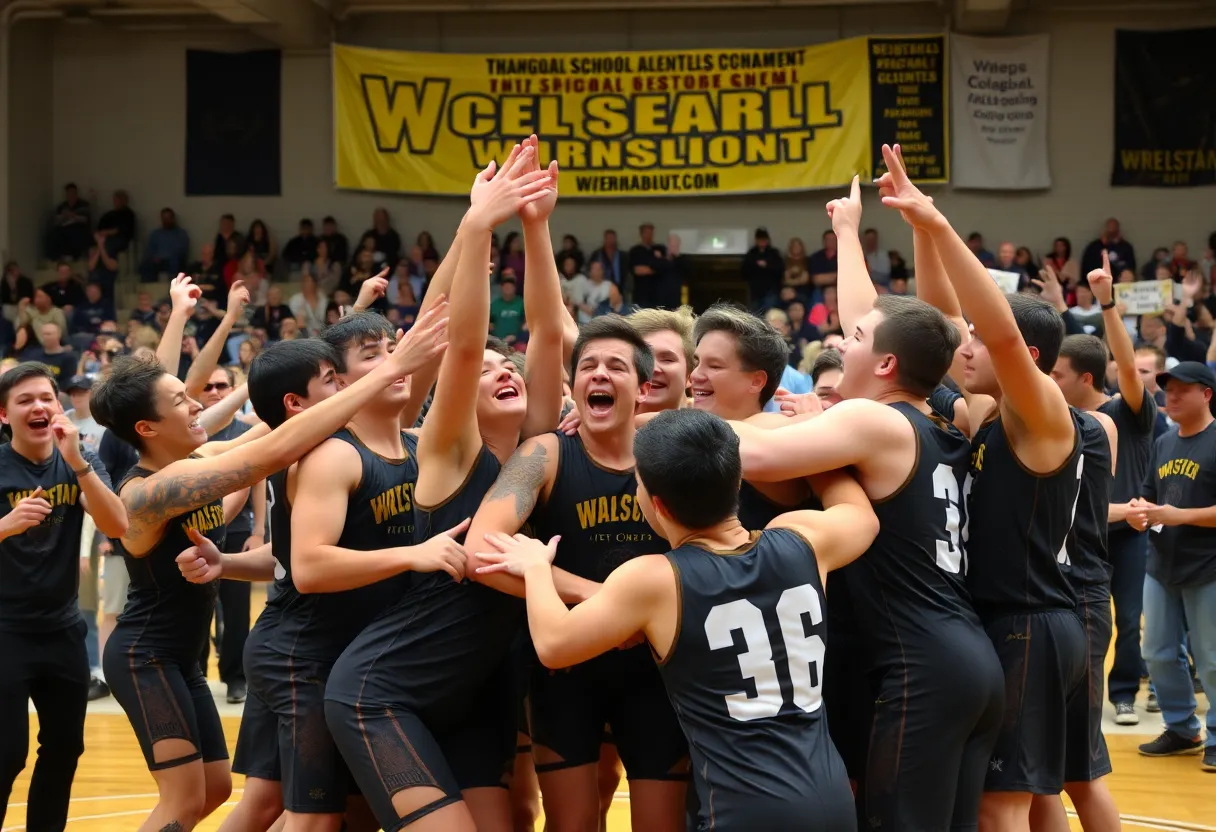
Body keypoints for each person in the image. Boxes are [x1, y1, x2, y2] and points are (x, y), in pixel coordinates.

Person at [87, 289, 449, 832]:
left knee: (220, 792)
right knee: (193, 802)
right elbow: (275, 444)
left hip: (189, 655)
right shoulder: (151, 489)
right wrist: (389, 366)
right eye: (182, 400)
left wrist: (348, 339)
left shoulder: (200, 455)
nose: (198, 405)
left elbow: (290, 413)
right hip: (150, 653)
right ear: (146, 428)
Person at [724, 176, 1005, 831]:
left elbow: (757, 459)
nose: (843, 342)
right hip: (971, 657)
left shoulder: (875, 424)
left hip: (924, 663)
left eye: (854, 341)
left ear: (883, 366)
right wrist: (847, 232)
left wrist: (658, 423)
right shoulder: (939, 420)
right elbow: (879, 323)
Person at [472, 408, 878, 832]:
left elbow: (554, 645)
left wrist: (536, 567)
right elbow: (863, 517)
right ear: (736, 482)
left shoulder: (657, 578)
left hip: (746, 809)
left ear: (656, 502)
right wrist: (816, 454)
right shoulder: (804, 540)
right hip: (832, 798)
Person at [325, 139, 573, 832]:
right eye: (491, 367)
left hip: (478, 690)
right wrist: (476, 228)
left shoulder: (536, 453)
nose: (503, 369)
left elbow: (550, 333)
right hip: (385, 691)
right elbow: (461, 344)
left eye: (510, 366)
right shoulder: (446, 447)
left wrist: (536, 225)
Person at [878, 143, 1087, 831]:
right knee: (1028, 797)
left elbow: (991, 330)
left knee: (1001, 809)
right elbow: (941, 323)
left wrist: (938, 224)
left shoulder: (1044, 415)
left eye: (977, 342)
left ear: (1021, 360)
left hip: (1029, 621)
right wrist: (915, 225)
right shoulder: (987, 413)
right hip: (1007, 620)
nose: (961, 348)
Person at [469, 310, 690, 832]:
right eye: (587, 365)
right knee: (572, 825)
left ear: (643, 386)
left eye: (616, 366)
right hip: (564, 670)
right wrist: (606, 602)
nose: (599, 374)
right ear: (573, 384)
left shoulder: (672, 452)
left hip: (656, 670)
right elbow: (481, 551)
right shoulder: (544, 454)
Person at [0, 363, 128, 830]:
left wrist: (77, 463)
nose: (38, 406)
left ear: (58, 407)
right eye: (24, 400)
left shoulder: (81, 460)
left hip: (62, 630)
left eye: (45, 399)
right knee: (6, 755)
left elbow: (117, 526)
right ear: (3, 414)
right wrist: (5, 526)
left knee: (64, 749)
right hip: (6, 632)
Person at [1128, 362, 1216, 772]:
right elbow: (1149, 497)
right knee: (1158, 653)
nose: (1172, 396)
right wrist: (1138, 512)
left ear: (1207, 395)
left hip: (1208, 566)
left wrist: (1180, 515)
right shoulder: (1163, 444)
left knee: (1211, 658)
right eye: (1168, 389)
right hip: (1161, 564)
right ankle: (1182, 728)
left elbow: (1177, 511)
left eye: (1183, 390)